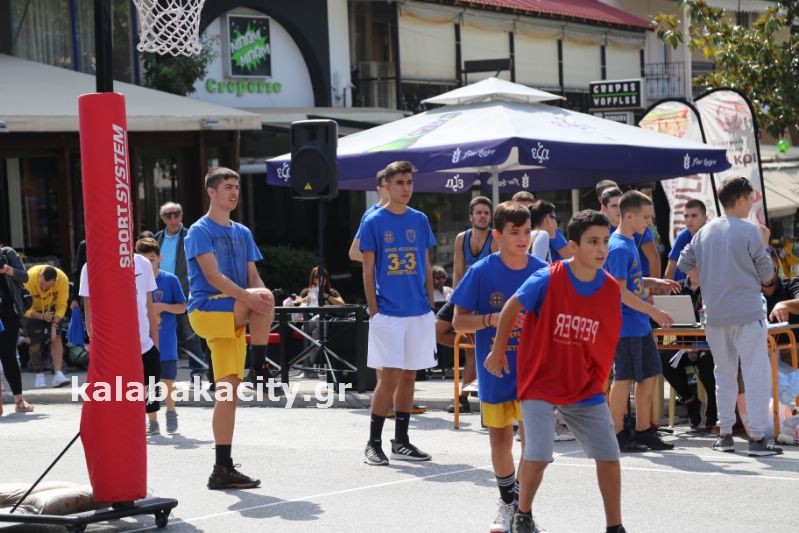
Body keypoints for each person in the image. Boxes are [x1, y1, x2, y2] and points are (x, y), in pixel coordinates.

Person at [485, 210, 626, 533]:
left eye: (605, 241)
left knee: (609, 454)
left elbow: (607, 337)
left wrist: (602, 378)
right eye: (593, 242)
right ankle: (522, 514)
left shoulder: (609, 288)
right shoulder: (548, 278)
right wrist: (498, 351)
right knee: (538, 454)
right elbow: (511, 307)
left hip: (583, 385)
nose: (601, 249)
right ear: (573, 247)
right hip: (540, 382)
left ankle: (615, 526)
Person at [451, 201, 547, 533]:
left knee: (533, 445)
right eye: (514, 232)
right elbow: (458, 321)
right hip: (495, 371)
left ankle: (523, 509)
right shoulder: (481, 272)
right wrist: (493, 319)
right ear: (497, 235)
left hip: (533, 372)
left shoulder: (543, 271)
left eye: (527, 232)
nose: (522, 239)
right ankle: (508, 504)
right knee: (500, 441)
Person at [185, 167, 275, 489]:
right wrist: (253, 299)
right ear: (211, 191)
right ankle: (260, 367)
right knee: (261, 298)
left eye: (236, 186)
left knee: (227, 393)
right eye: (227, 186)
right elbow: (213, 277)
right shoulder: (199, 230)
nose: (234, 192)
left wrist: (260, 298)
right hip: (207, 308)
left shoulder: (243, 232)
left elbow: (254, 278)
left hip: (234, 311)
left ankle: (221, 468)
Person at [678, 176, 782, 456]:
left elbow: (684, 263)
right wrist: (764, 245)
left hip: (715, 314)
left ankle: (725, 433)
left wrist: (707, 274)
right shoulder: (750, 232)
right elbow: (767, 275)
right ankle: (757, 438)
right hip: (747, 311)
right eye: (750, 198)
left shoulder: (704, 232)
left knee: (722, 373)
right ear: (740, 199)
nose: (751, 203)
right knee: (755, 373)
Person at [360, 161, 437, 465]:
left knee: (409, 376)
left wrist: (430, 303)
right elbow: (367, 271)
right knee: (390, 375)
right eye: (400, 183)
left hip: (418, 311)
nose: (406, 188)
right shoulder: (373, 221)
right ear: (387, 186)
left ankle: (401, 441)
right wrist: (374, 311)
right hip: (388, 312)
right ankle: (373, 443)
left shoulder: (419, 219)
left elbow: (426, 264)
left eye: (409, 182)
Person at [606, 191, 679, 452]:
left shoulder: (630, 242)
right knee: (624, 379)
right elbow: (619, 291)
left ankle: (644, 430)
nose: (649, 222)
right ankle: (615, 433)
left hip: (639, 324)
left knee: (649, 376)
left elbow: (632, 282)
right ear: (629, 216)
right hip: (626, 326)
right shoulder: (617, 247)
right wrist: (653, 311)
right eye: (646, 217)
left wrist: (653, 282)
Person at [80, 249, 161, 433]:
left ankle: (153, 421)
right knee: (120, 393)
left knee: (150, 388)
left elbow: (149, 305)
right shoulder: (91, 266)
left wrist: (156, 343)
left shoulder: (142, 263)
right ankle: (124, 426)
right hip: (112, 347)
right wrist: (94, 341)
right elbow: (88, 307)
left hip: (144, 343)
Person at [438, 197, 498, 414]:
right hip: (465, 295)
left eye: (486, 213)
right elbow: (458, 272)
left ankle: (462, 398)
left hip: (486, 297)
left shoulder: (494, 238)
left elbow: (494, 274)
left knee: (473, 341)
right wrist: (458, 302)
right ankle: (474, 347)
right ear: (471, 216)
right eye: (479, 212)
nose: (482, 216)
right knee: (436, 330)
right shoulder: (462, 238)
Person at [137, 238, 186, 434]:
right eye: (143, 260)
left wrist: (163, 306)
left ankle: (171, 411)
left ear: (159, 258)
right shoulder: (135, 280)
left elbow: (182, 307)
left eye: (151, 259)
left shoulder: (170, 280)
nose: (147, 264)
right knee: (149, 381)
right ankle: (153, 421)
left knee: (168, 379)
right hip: (144, 341)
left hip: (166, 340)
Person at [155, 201, 209, 383]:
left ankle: (197, 372)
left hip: (185, 290)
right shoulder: (157, 239)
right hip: (160, 292)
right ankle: (158, 372)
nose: (173, 219)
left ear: (181, 216)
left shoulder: (190, 236)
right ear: (162, 218)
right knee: (159, 331)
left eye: (176, 214)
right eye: (168, 215)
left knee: (190, 333)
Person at [597, 180, 661, 278]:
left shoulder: (637, 224)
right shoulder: (601, 230)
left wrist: (655, 284)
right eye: (614, 206)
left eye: (620, 205)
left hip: (641, 278)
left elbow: (653, 258)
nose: (618, 209)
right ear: (604, 208)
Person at [292, 266, 345, 379]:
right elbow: (297, 302)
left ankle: (308, 366)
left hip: (325, 326)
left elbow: (342, 304)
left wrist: (326, 295)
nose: (321, 279)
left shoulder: (331, 292)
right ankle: (323, 342)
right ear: (313, 278)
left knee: (317, 333)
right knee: (317, 319)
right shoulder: (307, 291)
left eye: (323, 276)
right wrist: (308, 298)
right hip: (307, 324)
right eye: (317, 277)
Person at [24, 265, 70, 388]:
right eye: (42, 285)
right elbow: (24, 308)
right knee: (35, 344)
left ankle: (58, 374)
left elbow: (61, 305)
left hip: (52, 308)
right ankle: (39, 374)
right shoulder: (28, 278)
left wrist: (55, 324)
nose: (44, 288)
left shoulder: (63, 280)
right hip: (33, 310)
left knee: (57, 338)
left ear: (55, 281)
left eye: (48, 286)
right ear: (39, 276)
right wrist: (41, 316)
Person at [0, 244, 33, 414]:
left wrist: (7, 270)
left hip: (8, 314)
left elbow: (24, 276)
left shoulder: (8, 253)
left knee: (9, 356)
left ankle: (19, 400)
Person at [511, 191, 572, 261]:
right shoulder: (509, 233)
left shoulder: (551, 231)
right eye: (521, 211)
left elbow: (569, 255)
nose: (527, 214)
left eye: (530, 209)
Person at [663, 199, 709, 281]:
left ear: (705, 218)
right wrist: (665, 288)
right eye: (686, 216)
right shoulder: (682, 237)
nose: (689, 220)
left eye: (694, 215)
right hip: (685, 285)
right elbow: (671, 266)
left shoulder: (712, 234)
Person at [349, 170, 389, 263]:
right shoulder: (371, 215)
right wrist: (383, 263)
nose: (390, 189)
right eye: (387, 186)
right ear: (379, 189)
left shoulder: (408, 213)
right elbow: (354, 253)